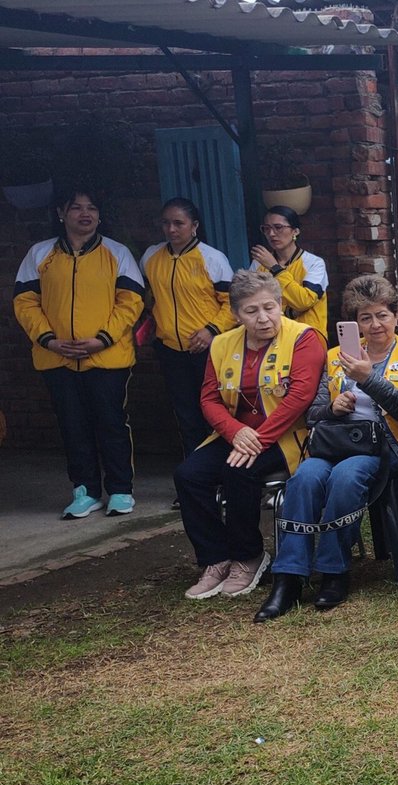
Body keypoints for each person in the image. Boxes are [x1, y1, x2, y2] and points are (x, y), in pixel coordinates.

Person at [254, 274, 398, 622]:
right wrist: (333, 408)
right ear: (355, 322)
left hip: (385, 447)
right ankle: (289, 577)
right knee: (303, 479)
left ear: (396, 316)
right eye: (365, 317)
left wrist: (367, 379)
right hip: (334, 444)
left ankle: (334, 570)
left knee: (346, 478)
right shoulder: (336, 356)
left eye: (382, 315)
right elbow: (313, 413)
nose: (375, 325)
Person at [173, 269, 322, 600]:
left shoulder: (304, 337)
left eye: (270, 307)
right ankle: (215, 558)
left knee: (237, 469)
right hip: (236, 434)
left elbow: (300, 397)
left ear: (281, 304)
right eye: (251, 311)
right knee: (188, 474)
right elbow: (209, 398)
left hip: (285, 436)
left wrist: (258, 440)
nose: (263, 318)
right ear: (236, 313)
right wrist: (236, 431)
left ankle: (248, 556)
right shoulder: (222, 344)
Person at [13, 186, 144, 518]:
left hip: (107, 357)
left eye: (92, 208)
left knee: (111, 423)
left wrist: (103, 338)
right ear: (61, 213)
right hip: (57, 356)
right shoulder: (40, 254)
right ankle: (85, 490)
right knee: (72, 425)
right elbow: (25, 302)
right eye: (76, 207)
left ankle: (120, 489)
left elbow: (131, 301)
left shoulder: (117, 253)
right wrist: (47, 339)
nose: (85, 214)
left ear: (100, 215)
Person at [141, 197, 235, 456]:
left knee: (214, 409)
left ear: (194, 225)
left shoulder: (212, 258)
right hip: (170, 348)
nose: (171, 229)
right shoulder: (151, 257)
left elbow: (232, 304)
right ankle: (194, 467)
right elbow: (148, 295)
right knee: (184, 412)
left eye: (178, 223)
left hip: (208, 349)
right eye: (166, 223)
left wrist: (211, 330)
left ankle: (221, 467)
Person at [248, 206, 329, 336]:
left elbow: (304, 301)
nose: (271, 234)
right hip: (270, 336)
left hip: (306, 335)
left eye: (278, 227)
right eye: (266, 229)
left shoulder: (314, 263)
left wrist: (275, 269)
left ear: (295, 231)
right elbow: (249, 300)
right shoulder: (258, 263)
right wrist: (289, 312)